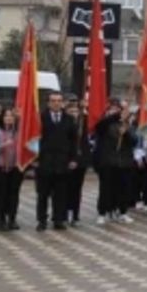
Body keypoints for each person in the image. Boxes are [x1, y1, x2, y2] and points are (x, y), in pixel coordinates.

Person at [36, 92, 79, 231]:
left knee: (60, 194)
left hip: (63, 162)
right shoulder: (40, 118)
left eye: (59, 101)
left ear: (63, 103)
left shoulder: (69, 119)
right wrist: (35, 159)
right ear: (48, 103)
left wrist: (73, 159)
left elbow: (74, 141)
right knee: (43, 194)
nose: (56, 103)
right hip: (44, 162)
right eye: (53, 100)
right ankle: (42, 220)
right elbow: (34, 140)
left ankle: (58, 219)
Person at [0, 109, 23, 230]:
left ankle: (12, 218)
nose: (9, 118)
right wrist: (4, 144)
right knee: (1, 193)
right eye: (6, 116)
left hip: (15, 167)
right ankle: (1, 219)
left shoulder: (17, 131)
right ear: (2, 117)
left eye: (11, 116)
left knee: (14, 193)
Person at [63, 96, 89, 226]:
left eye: (76, 111)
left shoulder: (82, 124)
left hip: (80, 161)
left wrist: (85, 109)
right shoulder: (64, 123)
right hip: (66, 160)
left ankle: (75, 214)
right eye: (71, 111)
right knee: (65, 188)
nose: (74, 113)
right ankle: (64, 212)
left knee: (77, 189)